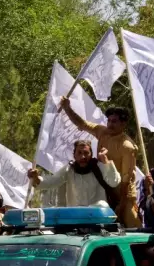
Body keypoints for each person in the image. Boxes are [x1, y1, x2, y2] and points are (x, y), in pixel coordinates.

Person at [59, 97, 141, 227]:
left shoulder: (127, 146)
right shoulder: (102, 132)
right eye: (109, 121)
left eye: (114, 121)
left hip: (123, 195)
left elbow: (126, 180)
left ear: (123, 124)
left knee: (134, 228)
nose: (110, 124)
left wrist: (121, 205)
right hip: (103, 192)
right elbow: (82, 124)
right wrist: (67, 108)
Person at [27, 140, 121, 207]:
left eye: (86, 153)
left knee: (102, 204)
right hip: (76, 217)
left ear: (91, 155)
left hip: (97, 217)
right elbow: (51, 181)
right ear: (74, 155)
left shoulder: (99, 166)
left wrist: (105, 159)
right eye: (79, 153)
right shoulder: (69, 169)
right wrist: (36, 178)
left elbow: (114, 182)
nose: (83, 157)